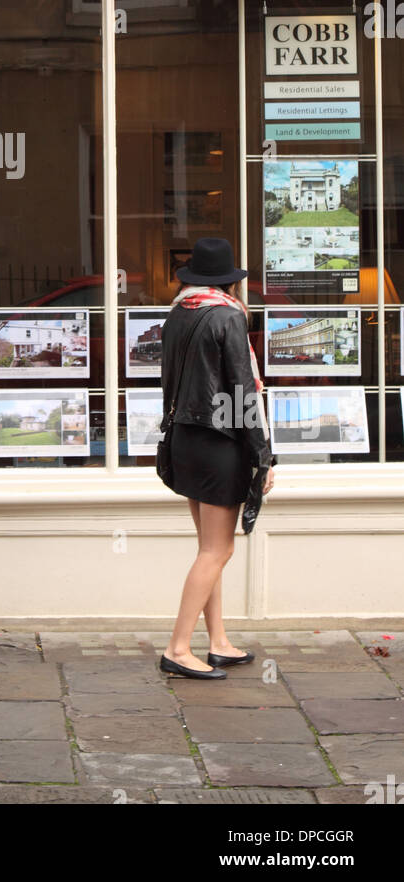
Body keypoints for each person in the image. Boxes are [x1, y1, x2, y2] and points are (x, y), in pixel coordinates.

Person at [159, 238, 275, 680]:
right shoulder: (228, 317)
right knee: (218, 549)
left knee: (209, 549)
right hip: (219, 443)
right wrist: (262, 456)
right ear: (231, 281)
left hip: (185, 440)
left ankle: (219, 642)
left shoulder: (176, 315)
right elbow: (243, 393)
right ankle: (178, 648)